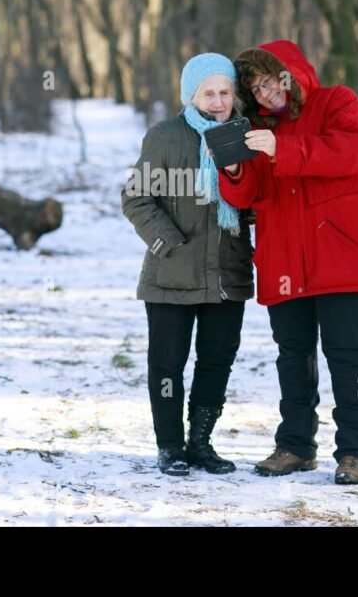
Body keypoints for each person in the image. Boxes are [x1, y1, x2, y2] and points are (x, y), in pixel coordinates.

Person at [217, 40, 358, 484]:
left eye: (269, 80)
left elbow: (349, 154)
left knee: (347, 356)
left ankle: (354, 450)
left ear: (289, 73)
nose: (266, 93)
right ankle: (294, 445)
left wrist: (281, 149)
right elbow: (246, 194)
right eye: (255, 87)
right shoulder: (255, 126)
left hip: (339, 255)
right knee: (293, 356)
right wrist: (233, 169)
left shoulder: (337, 102)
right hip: (283, 258)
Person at [121, 53, 254, 476]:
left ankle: (200, 443)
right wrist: (169, 243)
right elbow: (137, 197)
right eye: (208, 93)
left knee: (217, 361)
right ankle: (170, 447)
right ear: (191, 95)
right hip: (170, 272)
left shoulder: (248, 137)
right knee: (167, 364)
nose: (217, 102)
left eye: (225, 92)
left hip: (227, 274)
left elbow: (256, 201)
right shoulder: (165, 137)